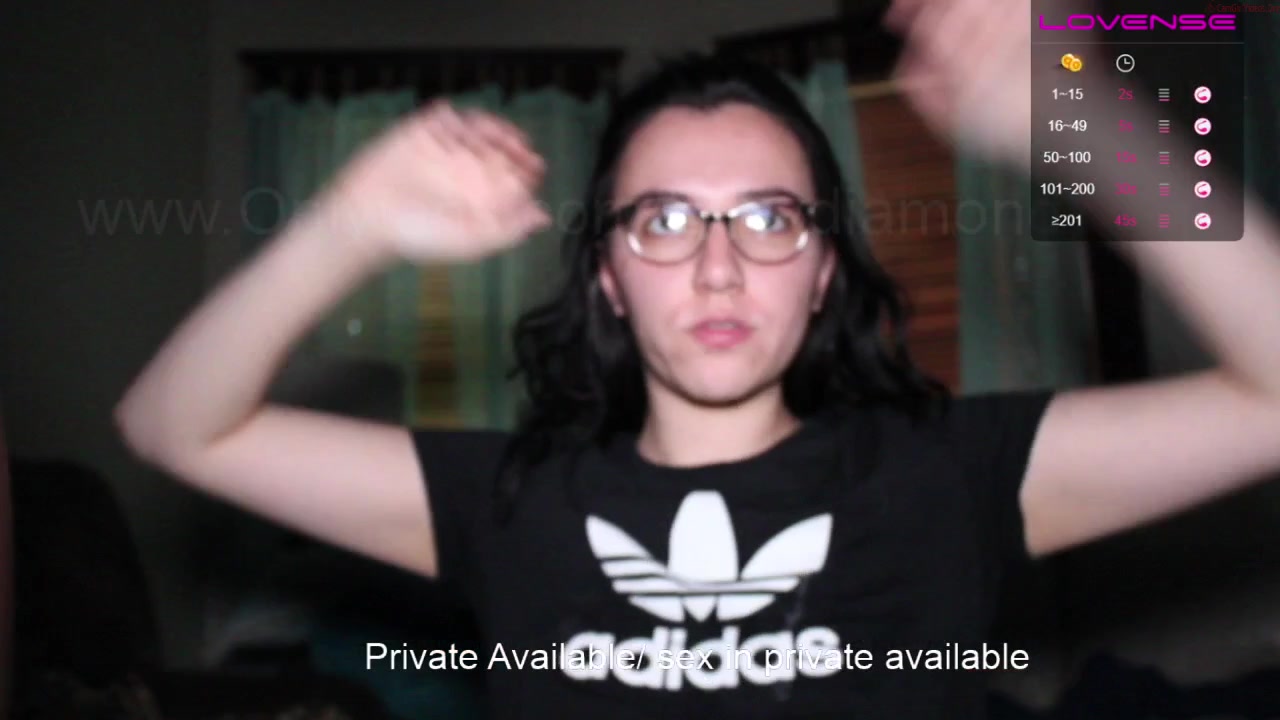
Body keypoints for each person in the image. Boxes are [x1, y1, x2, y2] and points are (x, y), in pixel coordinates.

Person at [115, 0, 1280, 717]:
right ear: (607, 277)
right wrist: (350, 224)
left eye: (767, 218)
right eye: (664, 220)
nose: (717, 268)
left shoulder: (946, 472)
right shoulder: (505, 499)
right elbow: (173, 425)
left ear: (822, 271)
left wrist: (1081, 123)